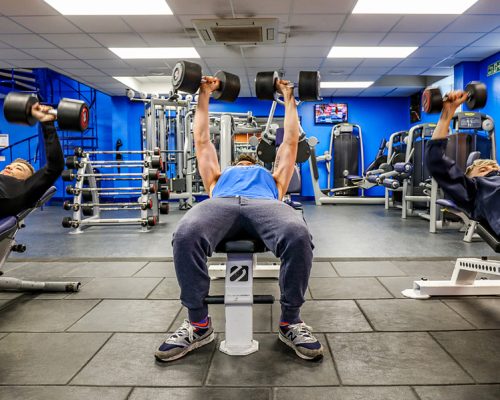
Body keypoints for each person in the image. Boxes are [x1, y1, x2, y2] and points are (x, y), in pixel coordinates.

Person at [156, 77, 323, 362]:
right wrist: (204, 95)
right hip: (220, 203)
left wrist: (288, 96)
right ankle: (198, 324)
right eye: (241, 162)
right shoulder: (218, 178)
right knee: (185, 233)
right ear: (233, 166)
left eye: (249, 162)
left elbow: (291, 141)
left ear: (258, 165)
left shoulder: (273, 179)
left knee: (298, 233)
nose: (245, 163)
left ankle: (291, 321)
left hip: (266, 204)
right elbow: (202, 140)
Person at [426, 90, 500, 236]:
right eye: (483, 168)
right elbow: (436, 161)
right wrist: (448, 111)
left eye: (494, 165)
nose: (490, 167)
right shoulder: (475, 191)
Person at [0, 103, 64, 217]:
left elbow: (55, 166)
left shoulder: (23, 189)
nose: (8, 167)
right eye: (9, 166)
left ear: (30, 180)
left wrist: (47, 123)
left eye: (18, 168)